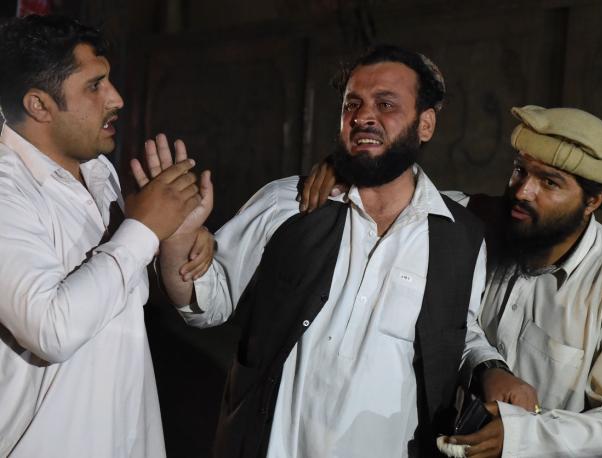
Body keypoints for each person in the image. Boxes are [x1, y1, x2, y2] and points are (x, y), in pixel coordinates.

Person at [154, 45, 522, 457]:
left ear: (425, 124)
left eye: (385, 104)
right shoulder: (286, 204)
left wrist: (490, 369)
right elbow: (208, 301)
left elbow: (458, 329)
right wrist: (176, 237)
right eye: (352, 104)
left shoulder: (460, 237)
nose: (363, 116)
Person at [302, 105, 602, 456]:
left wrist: (520, 438)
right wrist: (356, 171)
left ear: (592, 201)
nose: (523, 191)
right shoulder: (471, 222)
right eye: (520, 170)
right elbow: (399, 202)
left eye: (549, 182)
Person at [0, 14, 210, 457]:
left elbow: (117, 295)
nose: (116, 98)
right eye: (95, 85)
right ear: (39, 105)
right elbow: (51, 329)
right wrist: (143, 228)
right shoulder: (7, 189)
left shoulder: (99, 172)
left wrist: (174, 236)